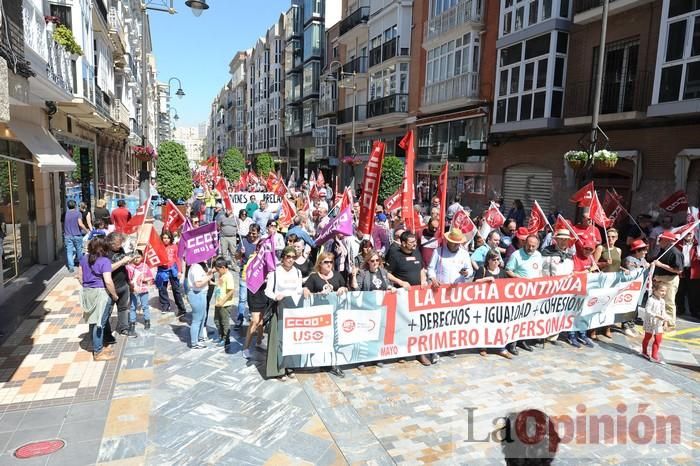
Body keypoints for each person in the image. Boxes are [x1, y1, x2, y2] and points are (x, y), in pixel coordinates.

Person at [385, 231, 431, 366]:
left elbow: (422, 268)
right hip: (402, 295)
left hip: (418, 295)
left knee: (419, 324)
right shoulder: (395, 255)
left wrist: (423, 280)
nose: (414, 245)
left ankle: (420, 353)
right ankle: (402, 352)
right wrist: (401, 282)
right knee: (403, 324)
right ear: (403, 243)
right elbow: (387, 274)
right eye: (411, 243)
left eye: (414, 242)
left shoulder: (417, 252)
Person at [78, 237, 125, 361]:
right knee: (100, 323)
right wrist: (114, 295)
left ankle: (98, 346)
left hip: (87, 292)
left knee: (93, 321)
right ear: (104, 248)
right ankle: (98, 352)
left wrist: (87, 286)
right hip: (100, 293)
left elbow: (80, 277)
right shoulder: (104, 261)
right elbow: (108, 282)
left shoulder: (84, 259)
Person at [303, 252, 349, 377]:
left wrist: (343, 289)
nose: (329, 264)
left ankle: (335, 364)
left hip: (335, 314)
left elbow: (346, 288)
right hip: (319, 315)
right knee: (321, 339)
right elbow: (306, 290)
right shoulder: (314, 277)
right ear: (320, 263)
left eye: (331, 262)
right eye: (326, 262)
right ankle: (319, 362)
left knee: (334, 340)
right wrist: (308, 291)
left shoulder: (338, 275)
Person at [264, 246, 304, 380]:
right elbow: (267, 291)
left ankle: (290, 367)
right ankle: (278, 369)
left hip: (293, 310)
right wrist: (276, 296)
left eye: (293, 257)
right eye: (288, 257)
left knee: (291, 339)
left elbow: (298, 289)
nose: (290, 260)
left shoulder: (298, 272)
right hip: (279, 308)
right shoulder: (275, 272)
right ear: (283, 258)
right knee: (278, 339)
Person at [505, 235, 543, 353]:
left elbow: (539, 272)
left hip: (533, 292)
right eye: (529, 245)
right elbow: (508, 270)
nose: (531, 248)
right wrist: (520, 278)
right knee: (517, 317)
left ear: (537, 246)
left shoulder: (538, 255)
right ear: (524, 243)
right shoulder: (516, 255)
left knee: (528, 318)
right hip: (519, 291)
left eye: (533, 246)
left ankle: (523, 341)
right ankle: (512, 343)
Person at [473, 249, 512, 359]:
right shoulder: (483, 270)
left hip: (498, 304)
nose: (496, 262)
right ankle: (483, 347)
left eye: (498, 259)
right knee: (484, 325)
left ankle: (501, 347)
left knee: (499, 326)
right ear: (488, 260)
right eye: (493, 259)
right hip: (484, 303)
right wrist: (487, 279)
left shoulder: (502, 271)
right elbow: (475, 282)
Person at [541, 229, 574, 346]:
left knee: (559, 312)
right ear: (556, 240)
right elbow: (543, 269)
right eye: (561, 239)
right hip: (549, 287)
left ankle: (553, 334)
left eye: (565, 240)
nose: (563, 242)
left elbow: (571, 271)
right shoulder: (547, 252)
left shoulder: (569, 255)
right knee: (546, 311)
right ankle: (543, 334)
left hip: (564, 289)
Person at [591, 228, 622, 340]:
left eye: (613, 237)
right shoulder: (601, 248)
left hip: (614, 282)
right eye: (608, 236)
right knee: (598, 305)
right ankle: (593, 329)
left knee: (610, 306)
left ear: (617, 238)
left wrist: (624, 269)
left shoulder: (618, 250)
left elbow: (617, 264)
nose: (610, 239)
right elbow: (593, 264)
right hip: (602, 281)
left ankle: (607, 328)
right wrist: (604, 263)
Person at [567, 239, 598, 348]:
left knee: (584, 312)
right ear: (582, 248)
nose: (588, 251)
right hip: (575, 289)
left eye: (590, 249)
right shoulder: (575, 257)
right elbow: (573, 273)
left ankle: (582, 334)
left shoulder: (591, 258)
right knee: (573, 313)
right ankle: (571, 335)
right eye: (586, 249)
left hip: (586, 289)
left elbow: (594, 270)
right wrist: (588, 271)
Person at [652, 230, 683, 328]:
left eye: (661, 239)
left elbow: (678, 270)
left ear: (666, 240)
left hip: (670, 279)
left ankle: (669, 322)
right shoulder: (663, 250)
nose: (659, 241)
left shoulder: (675, 252)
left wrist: (661, 265)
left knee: (669, 302)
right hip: (661, 279)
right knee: (660, 301)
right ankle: (662, 319)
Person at [106, 232, 132, 337]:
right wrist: (122, 262)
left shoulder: (120, 249)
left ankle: (124, 328)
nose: (120, 246)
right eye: (118, 244)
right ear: (111, 243)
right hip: (111, 287)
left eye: (121, 243)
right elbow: (108, 269)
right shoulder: (105, 252)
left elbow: (123, 260)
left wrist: (128, 260)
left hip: (123, 283)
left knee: (123, 308)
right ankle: (106, 333)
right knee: (107, 311)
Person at [621, 239, 650, 336]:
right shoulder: (629, 259)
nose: (646, 252)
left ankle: (631, 324)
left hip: (639, 289)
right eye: (643, 250)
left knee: (635, 306)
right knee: (628, 306)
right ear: (637, 251)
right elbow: (633, 273)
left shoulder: (642, 259)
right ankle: (626, 325)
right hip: (630, 289)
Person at [155, 230, 187, 316]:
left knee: (176, 289)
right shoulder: (158, 247)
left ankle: (181, 308)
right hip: (162, 270)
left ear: (170, 238)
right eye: (164, 238)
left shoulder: (174, 247)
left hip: (173, 269)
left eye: (167, 238)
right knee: (162, 288)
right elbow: (155, 259)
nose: (166, 239)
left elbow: (177, 259)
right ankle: (165, 305)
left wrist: (180, 271)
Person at [641, 282, 671, 363]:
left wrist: (666, 321)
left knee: (658, 339)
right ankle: (644, 351)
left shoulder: (662, 301)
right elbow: (647, 311)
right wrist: (657, 316)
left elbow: (663, 312)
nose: (663, 293)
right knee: (647, 337)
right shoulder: (651, 300)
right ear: (654, 290)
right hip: (650, 322)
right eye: (661, 291)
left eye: (665, 291)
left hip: (658, 323)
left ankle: (654, 355)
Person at [186, 260, 212, 349]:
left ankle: (200, 337)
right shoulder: (195, 268)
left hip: (202, 294)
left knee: (203, 316)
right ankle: (194, 343)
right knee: (197, 320)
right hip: (197, 295)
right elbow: (198, 284)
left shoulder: (199, 266)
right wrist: (208, 278)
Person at [126, 250, 154, 331]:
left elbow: (150, 278)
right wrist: (130, 283)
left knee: (145, 306)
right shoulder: (129, 267)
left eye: (138, 257)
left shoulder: (145, 266)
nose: (136, 259)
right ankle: (132, 322)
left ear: (142, 257)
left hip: (144, 290)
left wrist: (145, 279)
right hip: (133, 290)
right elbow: (127, 278)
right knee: (132, 306)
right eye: (134, 257)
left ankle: (147, 321)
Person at [212, 257, 235, 347]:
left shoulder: (228, 276)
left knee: (224, 322)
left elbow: (231, 291)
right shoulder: (221, 274)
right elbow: (220, 285)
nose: (217, 271)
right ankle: (221, 336)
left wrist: (222, 301)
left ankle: (226, 339)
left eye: (218, 270)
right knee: (217, 320)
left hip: (225, 304)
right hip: (218, 303)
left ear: (223, 267)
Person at [677, 232, 700, 319]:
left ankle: (695, 311)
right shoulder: (678, 243)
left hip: (694, 270)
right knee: (680, 291)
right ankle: (680, 309)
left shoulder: (698, 244)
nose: (689, 235)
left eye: (690, 233)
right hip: (681, 270)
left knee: (694, 293)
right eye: (687, 233)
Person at [63, 200, 87, 273]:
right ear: (75, 205)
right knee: (79, 250)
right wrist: (87, 230)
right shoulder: (78, 213)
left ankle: (71, 267)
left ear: (67, 206)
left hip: (67, 235)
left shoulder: (65, 214)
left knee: (69, 252)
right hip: (77, 235)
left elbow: (62, 223)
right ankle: (81, 265)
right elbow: (80, 224)